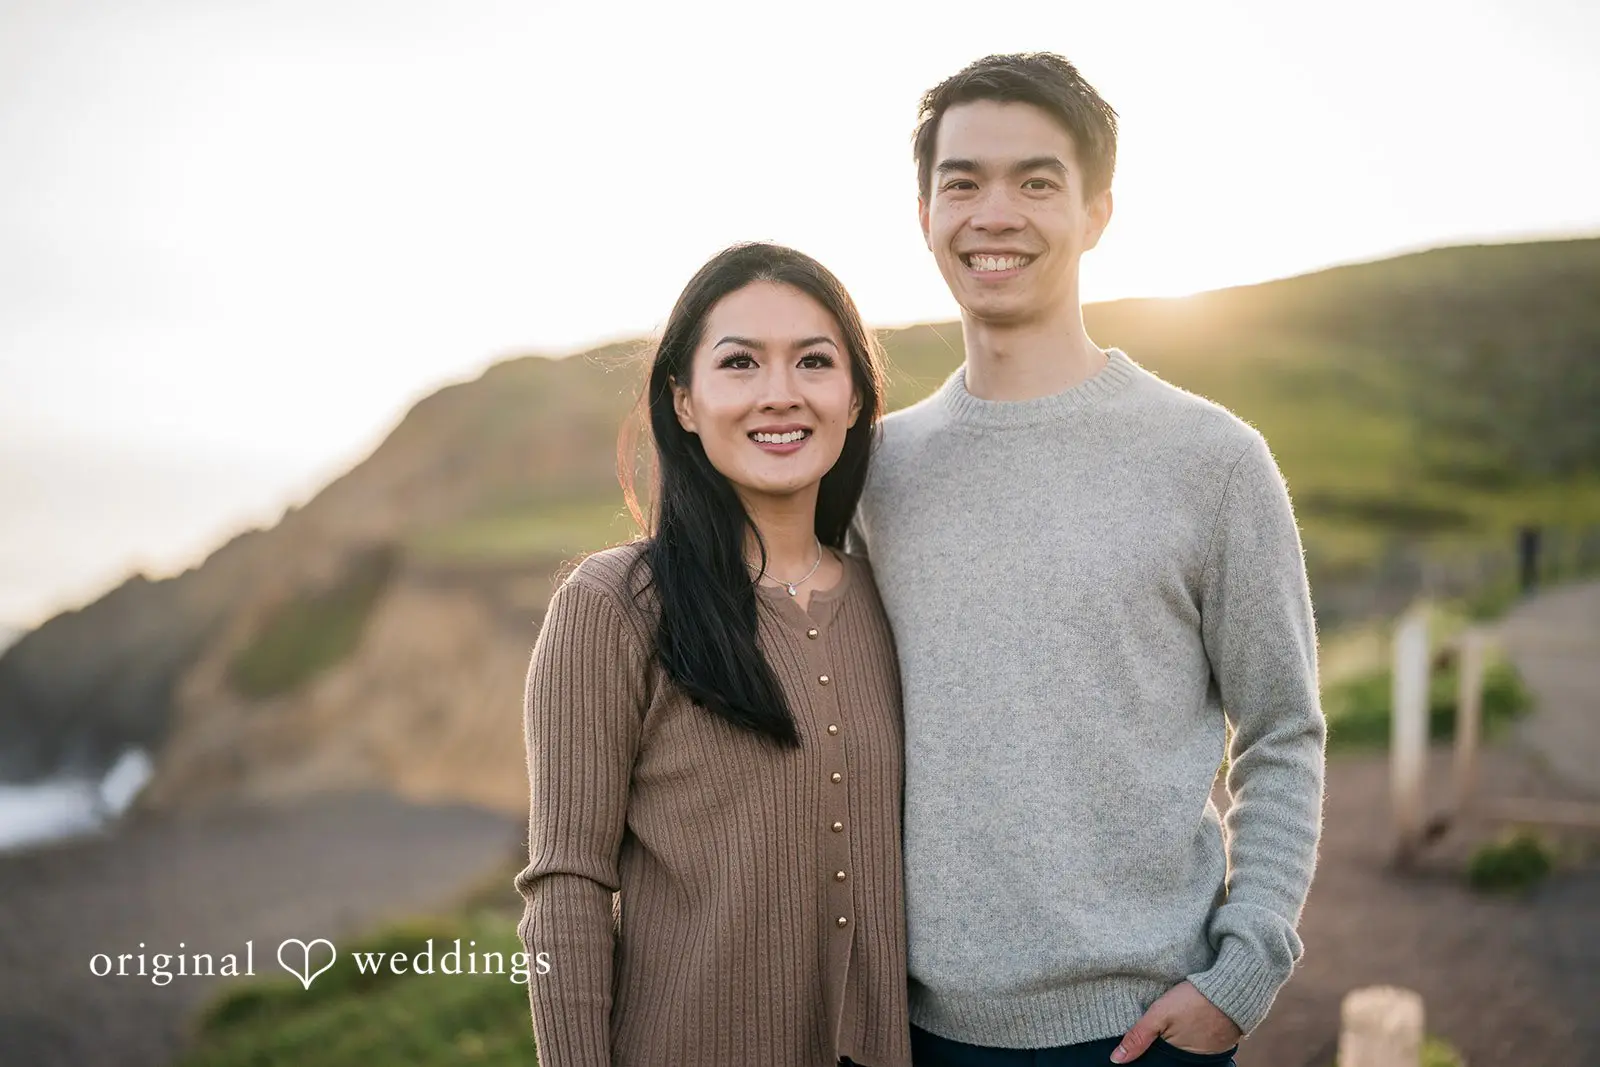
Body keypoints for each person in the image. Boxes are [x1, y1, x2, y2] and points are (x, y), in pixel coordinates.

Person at [847, 53, 1326, 1066]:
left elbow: (1283, 727)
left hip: (1142, 1033)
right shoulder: (876, 470)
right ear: (923, 212)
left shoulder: (1211, 461)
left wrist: (1242, 974)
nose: (994, 213)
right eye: (962, 181)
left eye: (1036, 181)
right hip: (910, 1029)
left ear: (1096, 211)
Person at [514, 242, 913, 1067]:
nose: (780, 393)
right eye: (739, 363)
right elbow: (567, 886)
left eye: (813, 361)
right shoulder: (613, 604)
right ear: (684, 402)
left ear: (854, 399)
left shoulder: (897, 602)